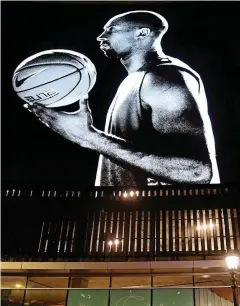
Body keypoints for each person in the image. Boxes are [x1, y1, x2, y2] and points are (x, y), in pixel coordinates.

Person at [28, 10, 220, 186]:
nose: (100, 37)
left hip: (170, 221)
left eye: (110, 30)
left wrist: (88, 137)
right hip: (134, 219)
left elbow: (196, 172)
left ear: (142, 33)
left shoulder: (162, 78)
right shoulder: (137, 79)